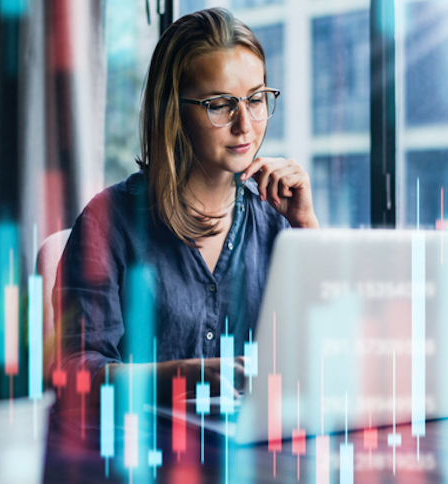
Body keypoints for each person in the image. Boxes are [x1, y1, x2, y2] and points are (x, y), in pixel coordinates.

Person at [54, 7, 318, 406]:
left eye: (256, 99)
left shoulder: (277, 221)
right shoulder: (107, 224)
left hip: (251, 456)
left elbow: (329, 355)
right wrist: (181, 377)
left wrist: (307, 229)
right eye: (219, 104)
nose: (244, 123)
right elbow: (74, 374)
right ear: (173, 111)